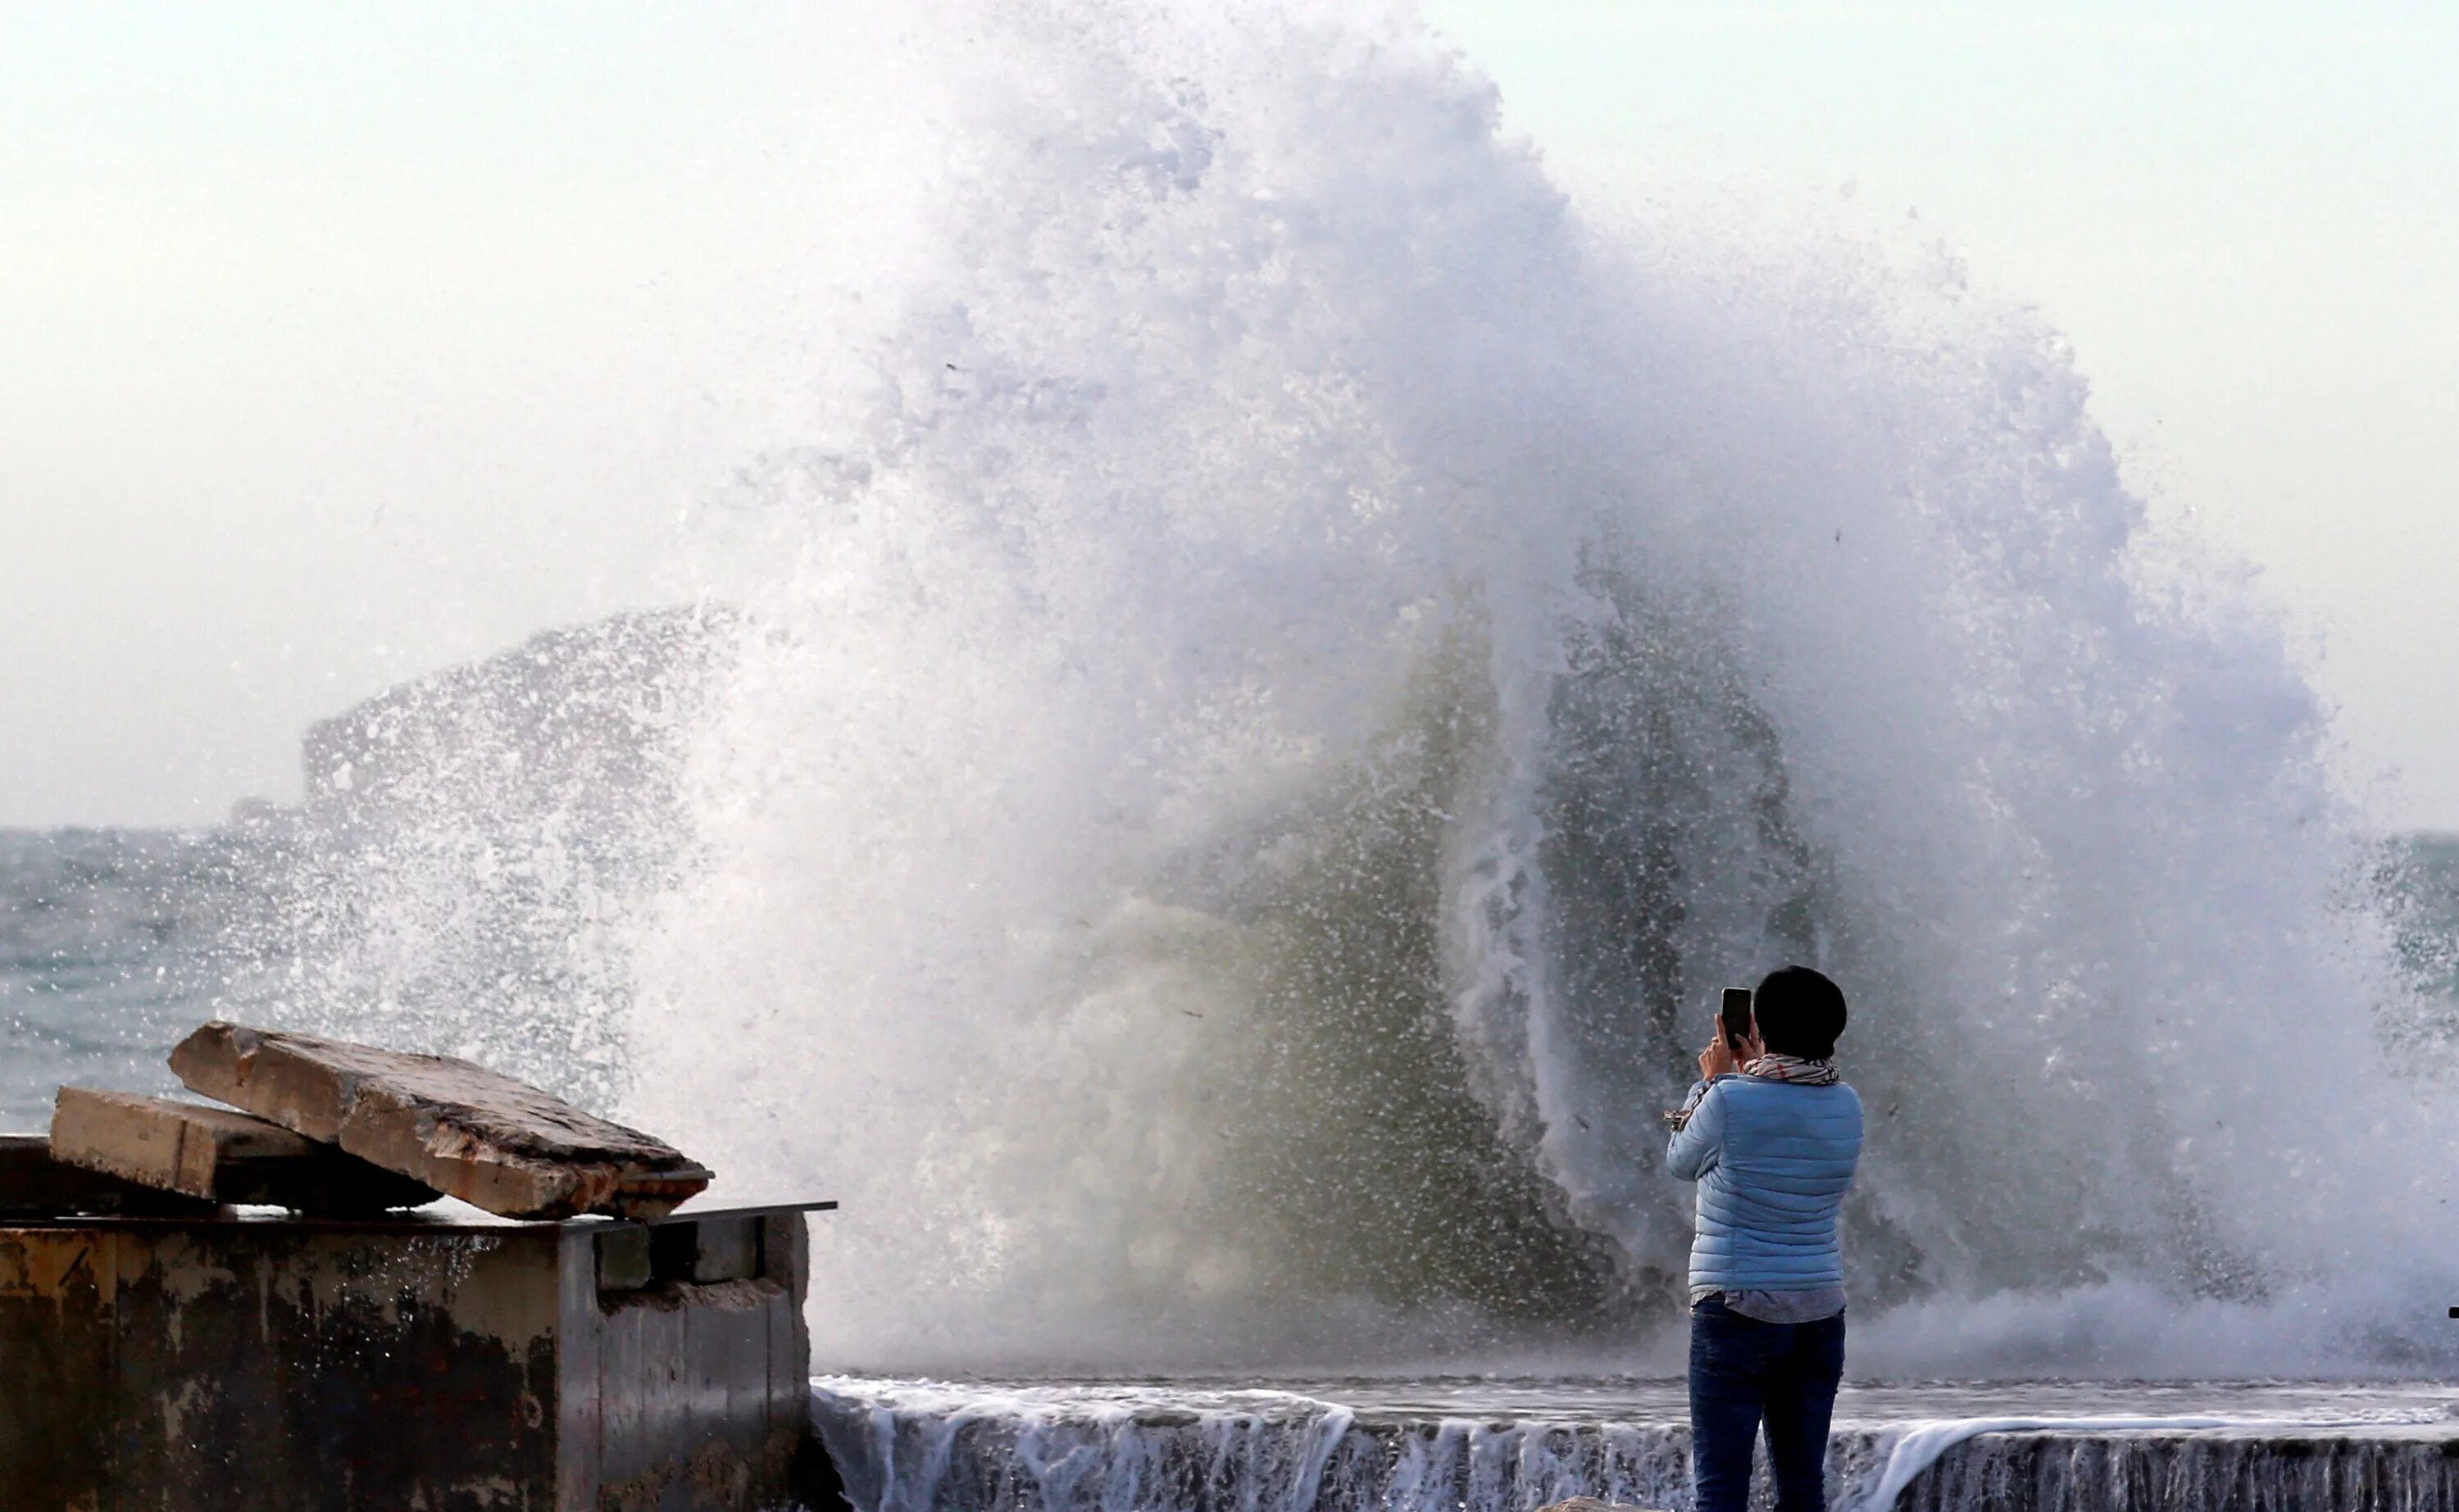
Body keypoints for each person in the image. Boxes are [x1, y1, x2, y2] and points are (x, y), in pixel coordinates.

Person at [1663, 965, 1864, 1512]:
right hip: (1820, 1312)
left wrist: (1711, 1079)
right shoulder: (1848, 1104)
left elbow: (1680, 1161)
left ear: (1755, 1024)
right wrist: (1747, 1074)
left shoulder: (1728, 1100)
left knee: (1722, 1488)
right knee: (1802, 1488)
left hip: (1736, 1307)